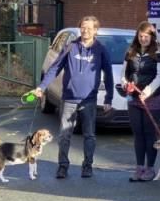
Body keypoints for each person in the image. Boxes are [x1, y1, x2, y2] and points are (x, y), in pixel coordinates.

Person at [35, 15, 113, 179]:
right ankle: (63, 166)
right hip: (69, 98)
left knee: (89, 135)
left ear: (95, 30)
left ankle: (87, 166)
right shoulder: (71, 47)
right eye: (83, 27)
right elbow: (55, 68)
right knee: (64, 135)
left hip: (89, 100)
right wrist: (42, 87)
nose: (85, 31)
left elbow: (109, 75)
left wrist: (108, 99)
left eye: (89, 28)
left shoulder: (100, 49)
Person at [121, 22, 160, 182]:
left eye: (146, 36)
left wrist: (147, 91)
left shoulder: (159, 53)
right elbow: (124, 73)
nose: (143, 39)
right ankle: (139, 167)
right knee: (138, 134)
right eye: (140, 36)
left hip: (152, 99)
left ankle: (150, 168)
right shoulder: (130, 51)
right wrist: (125, 84)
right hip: (134, 99)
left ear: (152, 37)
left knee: (150, 134)